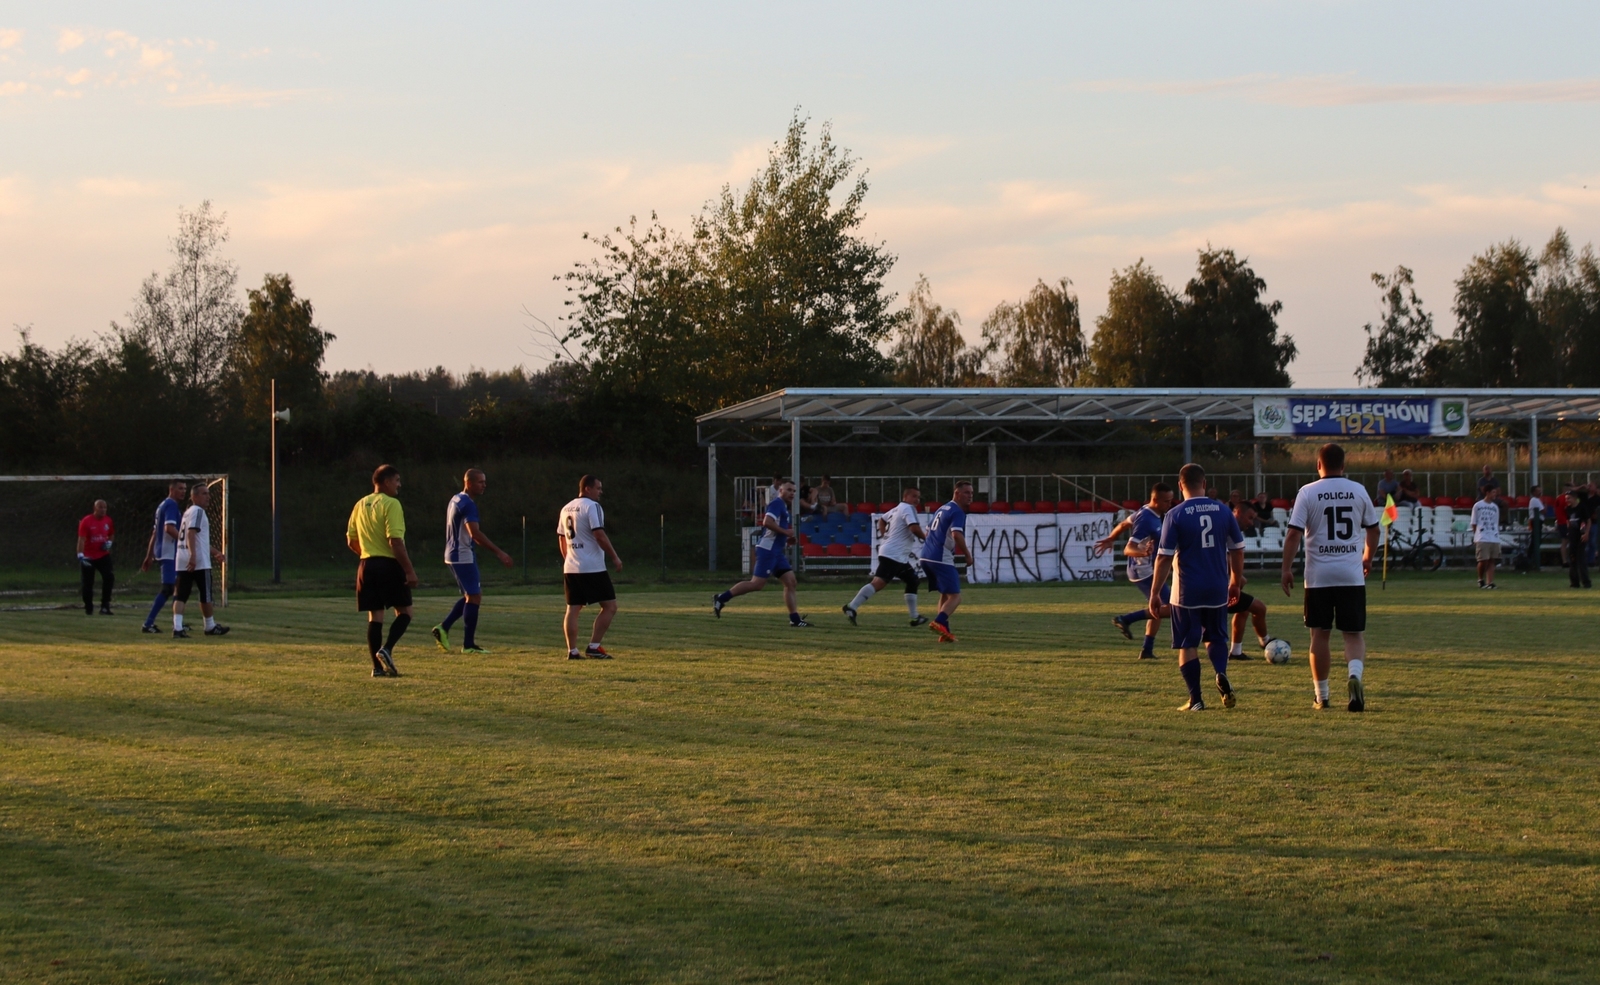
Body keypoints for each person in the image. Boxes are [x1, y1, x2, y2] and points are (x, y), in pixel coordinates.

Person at [1281, 443, 1380, 712]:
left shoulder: (1307, 492)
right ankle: (1354, 676)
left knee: (1319, 635)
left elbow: (1294, 534)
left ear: (1318, 465)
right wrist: (1367, 558)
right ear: (1343, 465)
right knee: (1353, 635)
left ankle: (1322, 696)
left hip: (1319, 577)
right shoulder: (1358, 490)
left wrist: (1286, 568)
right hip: (1351, 574)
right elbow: (1373, 530)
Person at [1148, 464, 1244, 712]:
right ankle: (1220, 672)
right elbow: (1237, 549)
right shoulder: (1223, 511)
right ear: (1204, 483)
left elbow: (1164, 557)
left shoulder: (1175, 514)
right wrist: (1235, 581)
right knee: (1216, 637)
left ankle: (1196, 700)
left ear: (1180, 485)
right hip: (1217, 587)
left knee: (1187, 643)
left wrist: (1155, 592)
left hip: (1187, 590)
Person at [431, 469, 514, 655]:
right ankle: (468, 645)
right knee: (474, 597)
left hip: (453, 553)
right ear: (468, 483)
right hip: (462, 555)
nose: (484, 485)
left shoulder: (456, 499)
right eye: (480, 482)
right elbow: (474, 533)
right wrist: (499, 552)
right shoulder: (468, 504)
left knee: (472, 596)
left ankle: (444, 628)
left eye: (484, 481)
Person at [346, 464, 418, 677]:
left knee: (375, 616)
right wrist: (409, 571)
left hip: (366, 565)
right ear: (386, 482)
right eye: (397, 480)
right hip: (388, 565)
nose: (399, 485)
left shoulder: (360, 504)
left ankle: (376, 669)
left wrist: (368, 554)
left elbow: (351, 540)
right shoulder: (391, 504)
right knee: (405, 612)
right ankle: (386, 649)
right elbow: (395, 541)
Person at [1094, 482, 1174, 660]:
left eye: (1171, 500)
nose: (1170, 504)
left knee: (1158, 609)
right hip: (1143, 571)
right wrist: (1143, 552)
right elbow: (1128, 549)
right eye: (1166, 501)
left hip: (1147, 570)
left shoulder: (1145, 511)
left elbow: (1124, 524)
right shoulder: (1146, 519)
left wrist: (1111, 538)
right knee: (1171, 609)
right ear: (1155, 500)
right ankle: (1126, 619)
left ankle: (1147, 650)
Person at [713, 480, 808, 625]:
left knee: (791, 582)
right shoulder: (777, 504)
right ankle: (721, 598)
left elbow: (773, 531)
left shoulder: (783, 507)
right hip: (768, 550)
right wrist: (785, 532)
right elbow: (767, 522)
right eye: (789, 490)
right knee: (757, 584)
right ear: (780, 491)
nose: (792, 493)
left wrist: (787, 538)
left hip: (776, 551)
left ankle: (795, 620)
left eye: (794, 491)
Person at [558, 474, 624, 658]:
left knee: (573, 609)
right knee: (610, 606)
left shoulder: (566, 508)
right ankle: (594, 647)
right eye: (598, 488)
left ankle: (572, 651)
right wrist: (615, 557)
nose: (600, 492)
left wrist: (569, 559)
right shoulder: (592, 506)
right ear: (587, 488)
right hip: (592, 566)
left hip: (571, 567)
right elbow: (599, 535)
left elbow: (562, 539)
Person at [842, 487, 927, 626]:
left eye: (918, 497)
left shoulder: (896, 509)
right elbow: (914, 528)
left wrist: (885, 536)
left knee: (912, 580)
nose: (917, 500)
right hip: (893, 554)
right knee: (878, 583)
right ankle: (851, 607)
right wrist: (926, 539)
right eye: (914, 496)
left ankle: (915, 617)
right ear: (905, 497)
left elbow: (882, 520)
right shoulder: (908, 508)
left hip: (896, 554)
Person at [919, 481, 976, 643]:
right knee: (956, 597)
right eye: (966, 493)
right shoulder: (957, 511)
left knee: (945, 594)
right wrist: (967, 555)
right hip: (940, 558)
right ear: (957, 493)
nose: (970, 496)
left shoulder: (942, 508)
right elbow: (956, 534)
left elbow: (928, 531)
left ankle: (945, 632)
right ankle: (939, 621)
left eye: (971, 493)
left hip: (926, 556)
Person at [172, 483, 229, 638]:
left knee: (181, 595)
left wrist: (216, 552)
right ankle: (209, 626)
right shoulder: (198, 511)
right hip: (198, 561)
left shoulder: (187, 512)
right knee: (206, 594)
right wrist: (193, 556)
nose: (208, 497)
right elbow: (191, 534)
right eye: (204, 494)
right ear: (194, 496)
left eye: (208, 493)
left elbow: (198, 540)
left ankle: (177, 628)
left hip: (182, 558)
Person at [140, 479, 187, 633]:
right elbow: (169, 529)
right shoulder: (171, 505)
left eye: (185, 489)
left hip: (163, 551)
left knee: (177, 587)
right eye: (180, 488)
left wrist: (149, 555)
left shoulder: (163, 505)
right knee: (168, 588)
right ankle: (148, 624)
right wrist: (186, 542)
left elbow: (155, 532)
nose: (183, 491)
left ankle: (178, 622)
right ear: (171, 489)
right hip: (169, 553)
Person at [76, 499, 115, 616]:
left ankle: (105, 606)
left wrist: (109, 543)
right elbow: (81, 539)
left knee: (109, 577)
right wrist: (80, 555)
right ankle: (88, 607)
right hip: (89, 556)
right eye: (100, 507)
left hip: (103, 555)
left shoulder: (108, 520)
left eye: (105, 507)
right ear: (95, 508)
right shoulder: (86, 521)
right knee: (88, 582)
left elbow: (111, 534)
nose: (103, 510)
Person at [1470, 485, 1503, 589]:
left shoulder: (1495, 507)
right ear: (1487, 493)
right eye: (1493, 492)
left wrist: (1496, 535)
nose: (1495, 494)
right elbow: (1474, 522)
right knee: (1483, 560)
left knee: (1492, 560)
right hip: (1482, 537)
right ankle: (1480, 579)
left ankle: (1490, 582)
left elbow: (1495, 522)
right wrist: (1476, 535)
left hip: (1493, 536)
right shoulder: (1478, 505)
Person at [1568, 487, 1592, 589]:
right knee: (1572, 559)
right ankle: (1574, 583)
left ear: (1574, 498)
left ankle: (1586, 582)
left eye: (1569, 498)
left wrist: (1586, 533)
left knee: (1581, 559)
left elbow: (1588, 521)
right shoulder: (1568, 509)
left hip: (1581, 537)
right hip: (1572, 537)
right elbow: (1569, 521)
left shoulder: (1581, 507)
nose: (1567, 500)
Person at [1526, 485, 1545, 573]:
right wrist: (1545, 505)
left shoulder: (1537, 500)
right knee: (1535, 542)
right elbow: (1543, 511)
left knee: (1535, 541)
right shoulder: (1535, 500)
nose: (1540, 492)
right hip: (1536, 522)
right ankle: (1531, 560)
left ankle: (1531, 560)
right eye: (1538, 491)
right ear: (1534, 492)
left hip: (1537, 522)